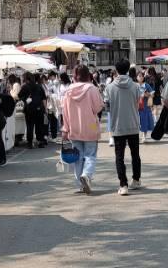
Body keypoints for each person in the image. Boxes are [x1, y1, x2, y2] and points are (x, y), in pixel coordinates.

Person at [61, 65, 104, 195]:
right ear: (87, 75)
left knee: (77, 157)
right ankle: (87, 175)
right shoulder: (92, 89)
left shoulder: (68, 91)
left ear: (74, 75)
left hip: (74, 128)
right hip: (90, 126)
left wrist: (65, 128)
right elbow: (98, 108)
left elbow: (65, 112)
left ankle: (80, 184)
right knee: (90, 154)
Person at [106, 59, 142, 196]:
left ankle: (123, 184)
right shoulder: (135, 86)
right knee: (135, 154)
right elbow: (138, 104)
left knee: (119, 156)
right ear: (128, 69)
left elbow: (107, 106)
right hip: (133, 124)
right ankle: (137, 179)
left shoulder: (109, 87)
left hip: (117, 125)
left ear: (116, 69)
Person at [18, 72, 47, 148]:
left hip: (29, 109)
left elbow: (19, 96)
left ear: (25, 79)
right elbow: (44, 98)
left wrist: (24, 98)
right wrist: (45, 109)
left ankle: (30, 143)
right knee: (39, 125)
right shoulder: (39, 86)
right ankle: (40, 141)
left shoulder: (25, 86)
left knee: (30, 126)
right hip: (39, 108)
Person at [136, 71, 155, 143]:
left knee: (145, 121)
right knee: (137, 121)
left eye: (141, 76)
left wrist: (147, 95)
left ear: (143, 77)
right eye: (139, 76)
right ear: (136, 77)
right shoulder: (134, 85)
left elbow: (152, 94)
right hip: (136, 106)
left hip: (145, 106)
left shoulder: (146, 85)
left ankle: (144, 136)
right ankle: (137, 136)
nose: (140, 77)